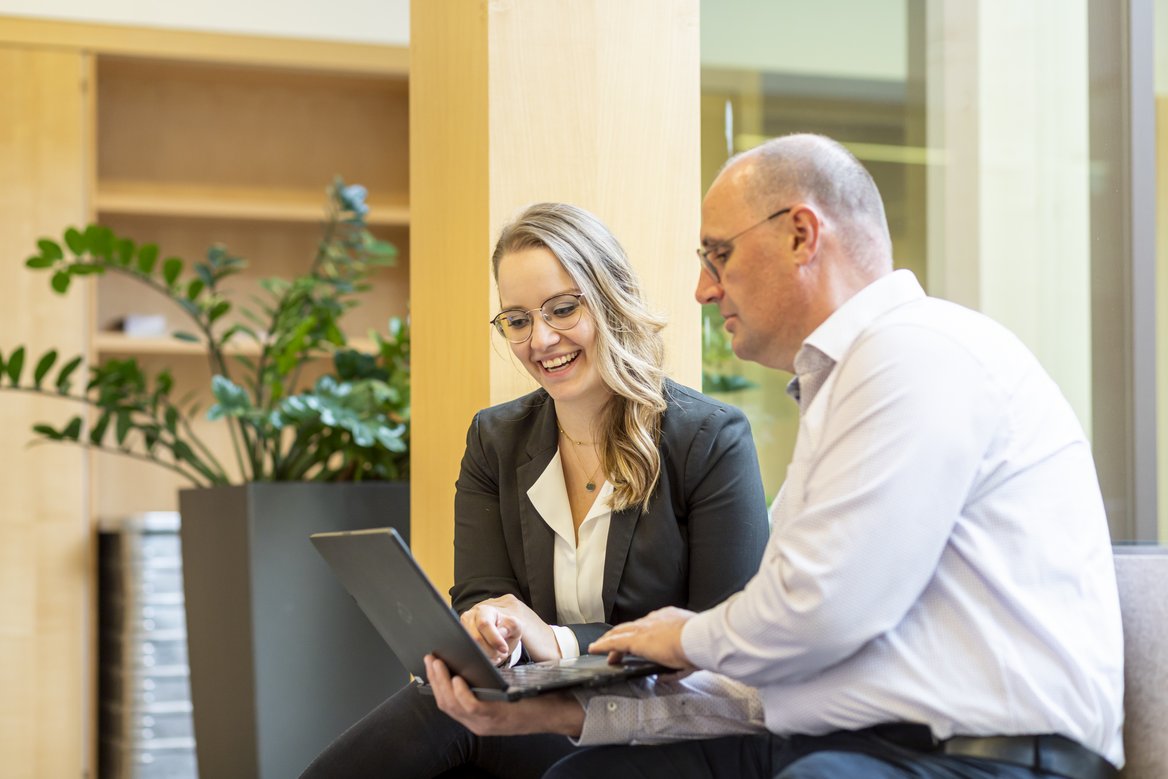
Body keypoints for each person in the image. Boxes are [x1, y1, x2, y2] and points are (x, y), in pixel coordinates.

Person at [429, 135, 1126, 779]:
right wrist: (556, 712)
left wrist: (685, 634)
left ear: (800, 234)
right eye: (517, 320)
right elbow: (760, 684)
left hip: (987, 756)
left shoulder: (915, 352)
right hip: (840, 741)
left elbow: (820, 613)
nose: (704, 288)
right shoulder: (843, 392)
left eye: (718, 254)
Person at [299, 202, 771, 778]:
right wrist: (489, 631)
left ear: (610, 299)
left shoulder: (707, 439)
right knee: (451, 709)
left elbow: (720, 638)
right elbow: (482, 593)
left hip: (673, 730)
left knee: (446, 720)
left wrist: (560, 640)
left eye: (563, 310)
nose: (540, 339)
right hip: (547, 720)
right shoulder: (495, 440)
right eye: (517, 320)